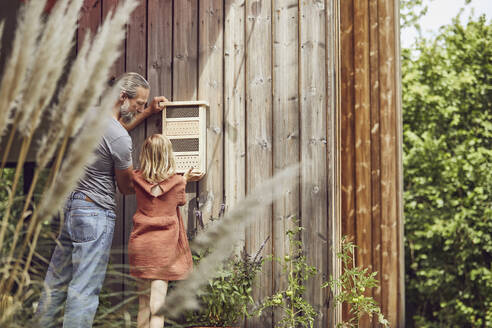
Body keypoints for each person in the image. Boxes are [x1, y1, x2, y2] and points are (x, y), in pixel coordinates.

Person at [36, 72, 168, 328]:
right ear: (122, 97)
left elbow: (113, 134)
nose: (139, 108)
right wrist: (149, 179)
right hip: (95, 213)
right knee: (84, 289)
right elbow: (126, 186)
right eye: (139, 103)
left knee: (55, 283)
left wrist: (148, 112)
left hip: (72, 208)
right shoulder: (119, 138)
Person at [129, 134, 202, 328]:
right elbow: (179, 199)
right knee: (158, 305)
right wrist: (185, 178)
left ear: (145, 155)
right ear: (168, 155)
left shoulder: (136, 178)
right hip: (162, 248)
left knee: (143, 303)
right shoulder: (177, 182)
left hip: (141, 246)